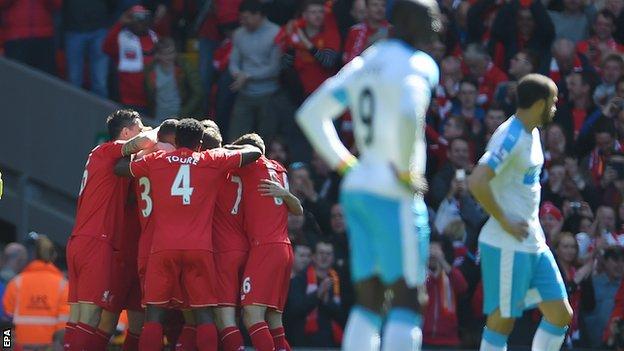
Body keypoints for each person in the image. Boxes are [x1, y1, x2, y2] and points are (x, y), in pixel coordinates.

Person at [296, 0, 442, 349]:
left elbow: (311, 113)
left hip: (358, 187)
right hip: (394, 192)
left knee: (370, 297)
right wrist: (406, 171)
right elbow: (409, 110)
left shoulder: (368, 60)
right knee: (408, 297)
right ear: (412, 22)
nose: (436, 24)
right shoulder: (419, 64)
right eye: (430, 16)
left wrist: (344, 163)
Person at [113, 119, 262, 351]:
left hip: (162, 248)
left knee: (154, 317)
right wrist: (225, 149)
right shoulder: (211, 160)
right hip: (199, 249)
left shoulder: (157, 160)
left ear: (177, 141)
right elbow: (255, 152)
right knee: (203, 316)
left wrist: (136, 147)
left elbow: (120, 168)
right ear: (200, 143)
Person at [468, 74, 572, 351]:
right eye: (553, 102)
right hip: (505, 243)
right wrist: (504, 220)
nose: (555, 108)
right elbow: (477, 181)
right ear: (540, 103)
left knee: (560, 314)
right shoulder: (510, 136)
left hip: (531, 241)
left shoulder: (533, 132)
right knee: (502, 322)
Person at [63, 110, 158, 350]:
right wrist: (159, 130)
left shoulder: (98, 154)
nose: (142, 130)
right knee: (91, 318)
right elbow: (145, 142)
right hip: (97, 241)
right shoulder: (110, 149)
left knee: (77, 318)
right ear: (126, 133)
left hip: (79, 240)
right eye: (138, 127)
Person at [231, 133, 304, 351]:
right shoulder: (279, 169)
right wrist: (286, 195)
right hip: (284, 248)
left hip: (265, 248)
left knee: (252, 315)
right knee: (274, 318)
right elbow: (298, 210)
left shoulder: (250, 165)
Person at [227, 0, 281, 142]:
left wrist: (248, 76)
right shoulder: (239, 34)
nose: (243, 22)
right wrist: (237, 74)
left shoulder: (276, 33)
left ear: (258, 15)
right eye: (241, 18)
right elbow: (233, 60)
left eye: (246, 18)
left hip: (268, 93)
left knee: (266, 137)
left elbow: (274, 68)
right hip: (244, 92)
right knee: (236, 136)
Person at [2, 235, 69, 348]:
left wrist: (6, 347)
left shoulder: (16, 283)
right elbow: (63, 329)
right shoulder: (63, 286)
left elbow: (6, 323)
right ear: (53, 256)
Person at [283, 240, 344, 347]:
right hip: (303, 343)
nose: (324, 257)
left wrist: (327, 302)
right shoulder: (298, 280)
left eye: (328, 254)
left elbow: (344, 315)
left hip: (331, 343)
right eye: (321, 253)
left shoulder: (338, 281)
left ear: (333, 258)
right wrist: (317, 295)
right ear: (314, 257)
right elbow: (294, 310)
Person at [102, 6, 159, 113]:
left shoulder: (155, 38)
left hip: (150, 99)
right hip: (126, 100)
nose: (140, 22)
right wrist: (120, 23)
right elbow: (106, 48)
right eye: (136, 18)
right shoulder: (122, 37)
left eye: (143, 17)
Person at [422, 234, 468, 348]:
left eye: (436, 251)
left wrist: (441, 261)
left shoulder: (451, 274)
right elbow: (422, 286)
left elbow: (462, 286)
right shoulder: (422, 276)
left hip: (449, 340)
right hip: (425, 340)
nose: (433, 255)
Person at [144, 37, 204, 123]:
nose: (170, 57)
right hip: (159, 117)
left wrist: (182, 114)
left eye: (172, 52)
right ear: (157, 55)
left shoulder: (185, 66)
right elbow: (149, 95)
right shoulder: (150, 70)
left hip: (180, 117)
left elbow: (198, 92)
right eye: (165, 54)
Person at [63, 0, 112, 98]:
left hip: (99, 28)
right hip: (74, 29)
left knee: (100, 81)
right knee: (74, 79)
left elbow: (112, 4)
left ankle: (99, 111)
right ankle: (74, 111)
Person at [0, 0, 61, 74]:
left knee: (44, 78)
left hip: (43, 37)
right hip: (16, 38)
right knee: (17, 76)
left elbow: (57, 5)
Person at [343, 0, 390, 64]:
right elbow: (347, 60)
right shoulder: (355, 31)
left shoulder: (391, 31)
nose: (380, 8)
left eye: (383, 5)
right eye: (375, 5)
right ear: (366, 9)